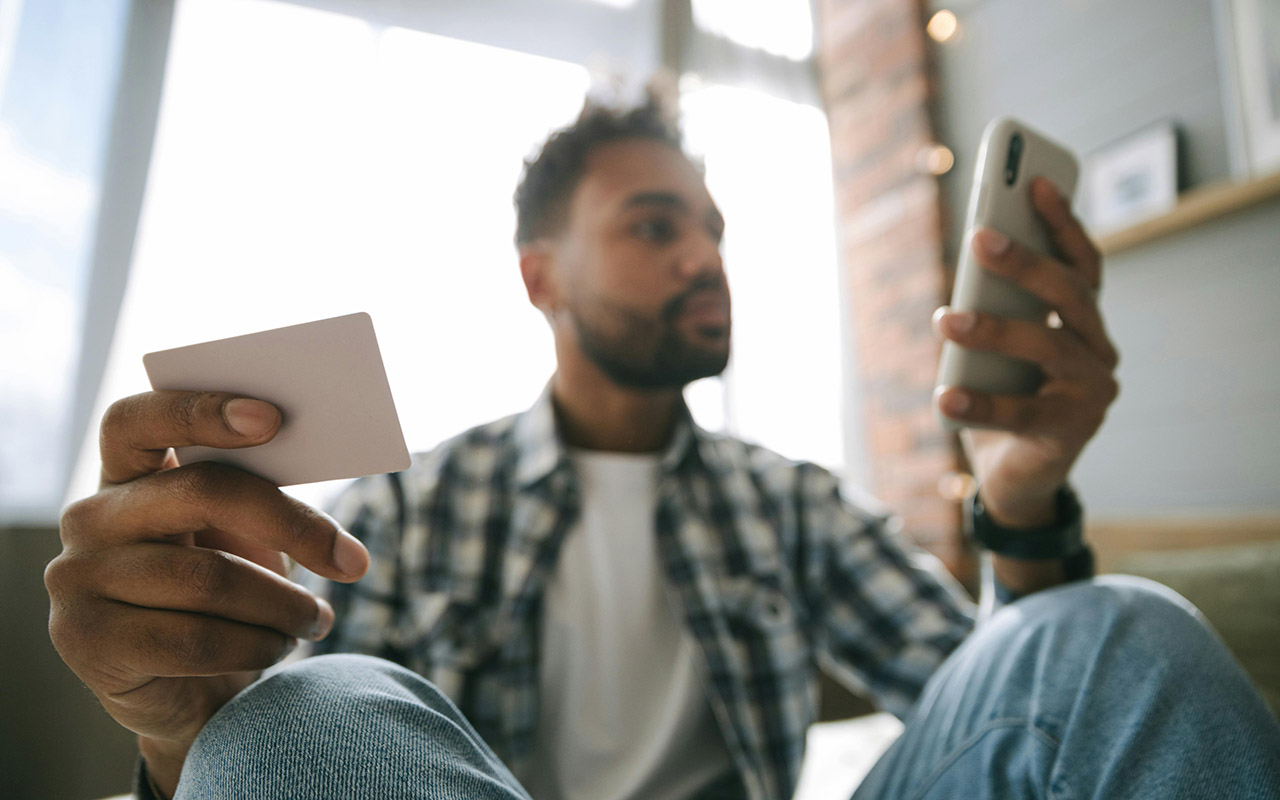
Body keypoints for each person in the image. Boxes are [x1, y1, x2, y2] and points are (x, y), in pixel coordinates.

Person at [46, 97, 1280, 800]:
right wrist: (180, 732)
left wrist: (1021, 496)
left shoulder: (784, 501)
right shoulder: (411, 508)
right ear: (541, 278)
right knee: (296, 709)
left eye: (713, 228)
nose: (704, 256)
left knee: (1118, 624)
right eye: (653, 225)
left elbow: (1027, 709)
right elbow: (300, 762)